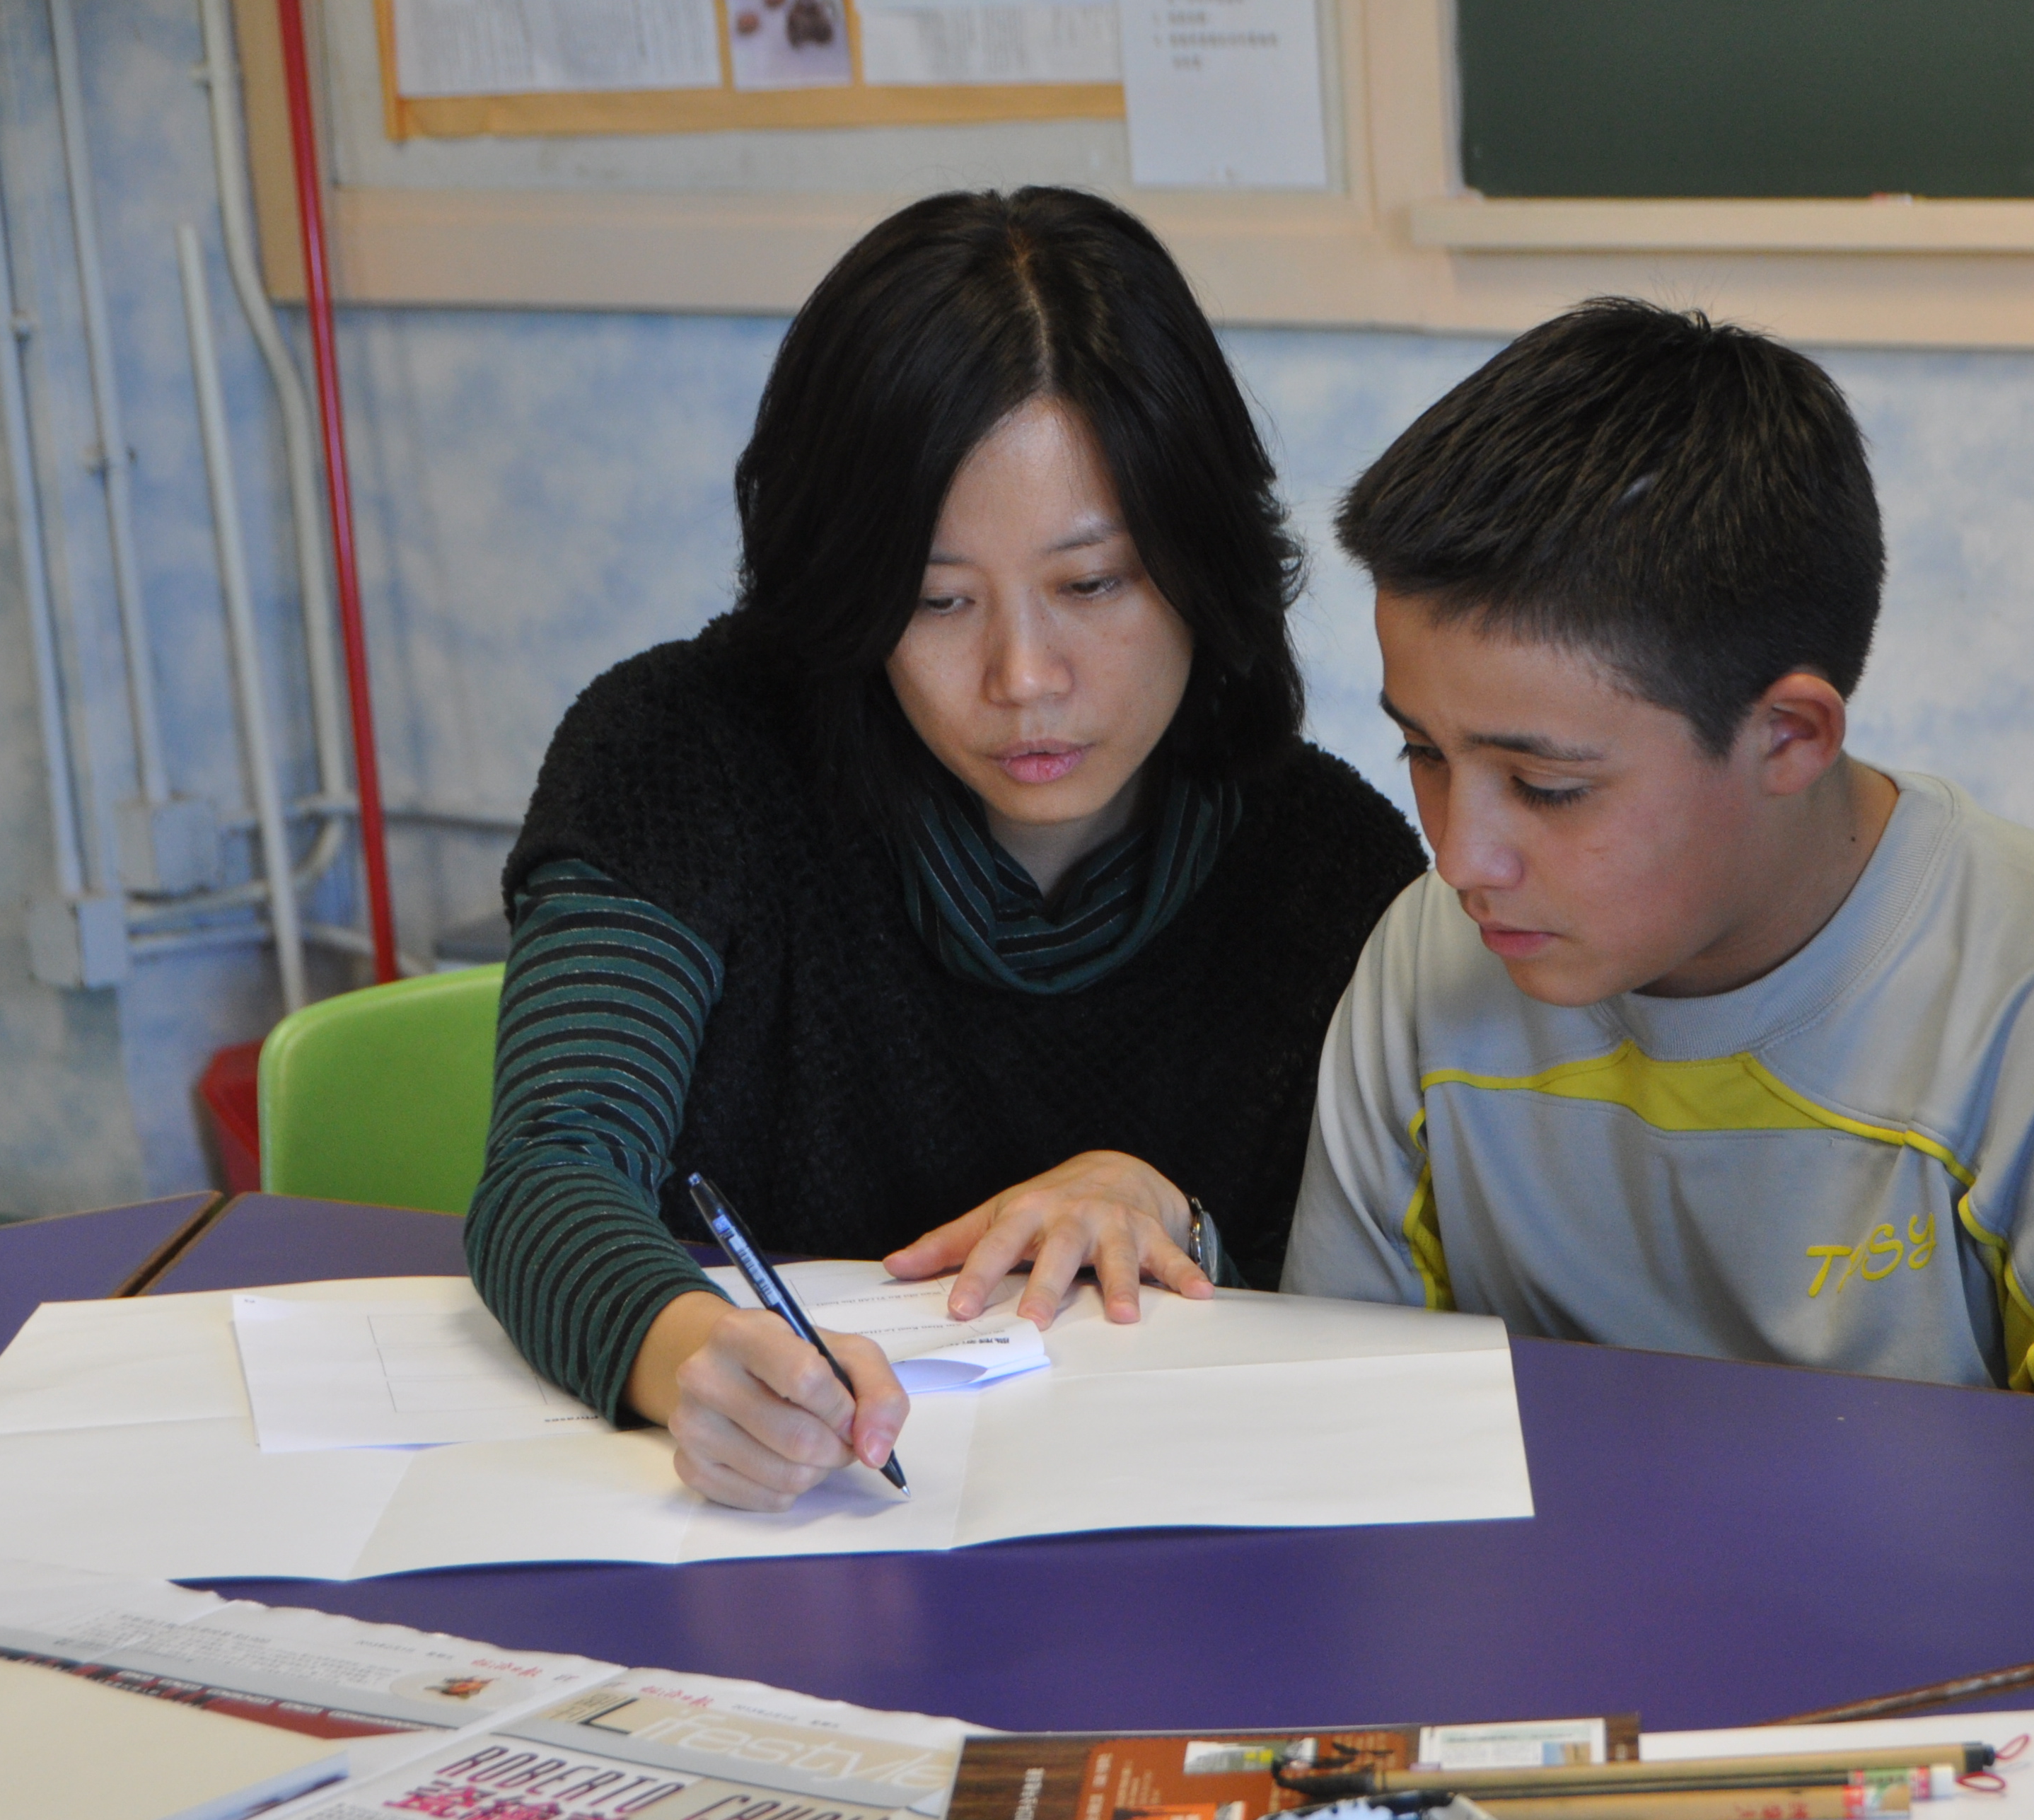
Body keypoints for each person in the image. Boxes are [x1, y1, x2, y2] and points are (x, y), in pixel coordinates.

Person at [466, 189, 1424, 1512]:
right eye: (936, 598)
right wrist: (688, 1355)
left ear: (1208, 564)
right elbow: (555, 1162)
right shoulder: (681, 755)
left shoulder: (1331, 872)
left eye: (1091, 584)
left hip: (1162, 1551)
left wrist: (1175, 1224)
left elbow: (1368, 1319)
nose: (1023, 676)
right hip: (771, 1545)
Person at [1283, 300, 2034, 1401]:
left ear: (1790, 737)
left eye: (1547, 787)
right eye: (1422, 752)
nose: (1463, 860)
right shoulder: (1430, 961)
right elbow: (1340, 1430)